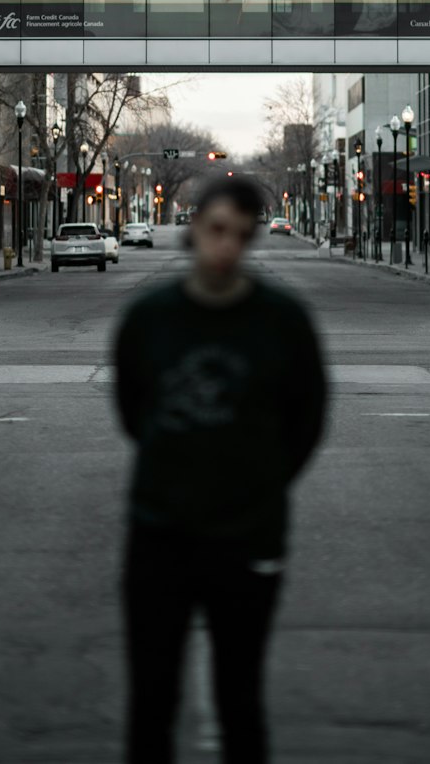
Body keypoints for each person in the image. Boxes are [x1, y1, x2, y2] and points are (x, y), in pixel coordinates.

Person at [113, 174, 326, 764]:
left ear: (251, 239)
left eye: (239, 234)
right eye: (215, 231)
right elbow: (134, 410)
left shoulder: (282, 321)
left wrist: (259, 482)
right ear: (193, 232)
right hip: (159, 535)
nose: (226, 245)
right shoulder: (149, 318)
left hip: (248, 539)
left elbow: (307, 419)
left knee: (241, 699)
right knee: (150, 700)